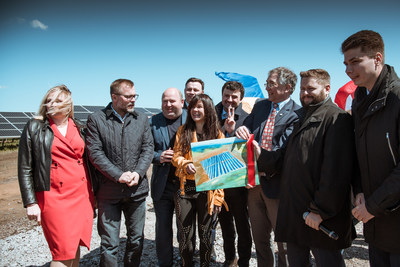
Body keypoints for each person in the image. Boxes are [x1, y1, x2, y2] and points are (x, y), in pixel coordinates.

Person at [256, 69, 356, 267]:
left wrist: (319, 211)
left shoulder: (337, 119)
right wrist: (260, 154)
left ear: (327, 89)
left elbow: (336, 173)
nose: (305, 93)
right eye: (302, 89)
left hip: (320, 219)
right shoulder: (302, 117)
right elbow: (286, 158)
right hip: (296, 214)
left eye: (311, 88)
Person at [18, 85, 95, 267]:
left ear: (68, 105)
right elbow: (24, 167)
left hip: (81, 195)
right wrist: (30, 202)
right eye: (49, 100)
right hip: (53, 197)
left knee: (74, 245)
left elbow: (89, 162)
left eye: (58, 101)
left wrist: (95, 194)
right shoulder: (34, 127)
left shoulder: (80, 127)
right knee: (61, 251)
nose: (51, 103)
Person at [342, 30, 400, 266]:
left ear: (377, 58)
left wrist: (374, 206)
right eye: (346, 63)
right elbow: (358, 153)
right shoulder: (360, 101)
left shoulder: (397, 99)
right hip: (373, 221)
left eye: (355, 61)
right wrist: (360, 192)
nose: (348, 69)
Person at [235, 67, 300, 267]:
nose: (267, 87)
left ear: (287, 88)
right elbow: (246, 126)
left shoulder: (297, 114)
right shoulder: (261, 106)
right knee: (260, 239)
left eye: (271, 84)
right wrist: (241, 128)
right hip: (253, 185)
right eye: (267, 83)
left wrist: (261, 155)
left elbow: (283, 153)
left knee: (284, 242)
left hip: (278, 185)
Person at [86, 79, 154, 267]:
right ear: (114, 97)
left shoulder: (141, 119)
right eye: (128, 96)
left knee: (136, 240)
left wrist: (138, 173)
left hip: (136, 191)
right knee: (109, 243)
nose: (133, 99)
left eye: (135, 96)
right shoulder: (97, 119)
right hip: (109, 192)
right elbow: (95, 153)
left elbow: (148, 148)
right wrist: (118, 175)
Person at [172, 94, 227, 267]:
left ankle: (205, 264)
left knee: (205, 235)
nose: (195, 110)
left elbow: (222, 171)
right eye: (193, 107)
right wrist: (185, 163)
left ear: (208, 109)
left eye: (200, 107)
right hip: (186, 190)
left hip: (208, 191)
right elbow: (176, 156)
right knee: (185, 235)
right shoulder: (183, 131)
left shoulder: (217, 134)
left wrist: (218, 198)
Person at [215, 81, 252, 267]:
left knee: (243, 226)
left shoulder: (247, 118)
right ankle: (230, 259)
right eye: (226, 95)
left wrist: (234, 132)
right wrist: (225, 131)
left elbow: (251, 151)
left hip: (239, 183)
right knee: (225, 225)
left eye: (234, 97)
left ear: (241, 98)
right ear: (221, 94)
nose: (229, 100)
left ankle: (244, 261)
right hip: (216, 181)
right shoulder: (210, 114)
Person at [150, 87, 187, 267]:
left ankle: (184, 261)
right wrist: (158, 157)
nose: (168, 104)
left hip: (185, 184)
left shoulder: (192, 118)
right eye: (165, 101)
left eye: (172, 101)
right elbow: (144, 150)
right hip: (162, 184)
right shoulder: (152, 121)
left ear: (181, 102)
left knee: (184, 229)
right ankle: (164, 263)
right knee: (163, 228)